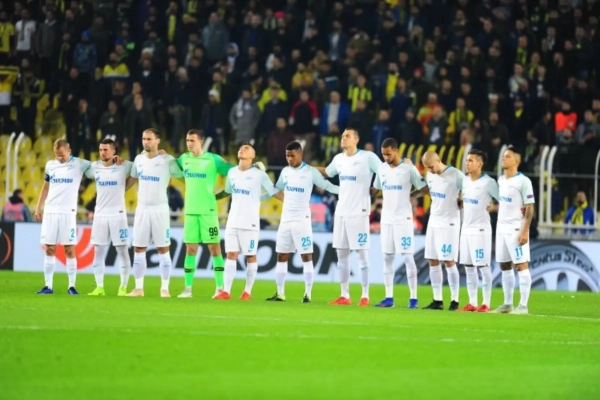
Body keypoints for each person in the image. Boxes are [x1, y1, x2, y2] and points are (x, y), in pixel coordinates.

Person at [263, 141, 339, 303]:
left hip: (302, 220)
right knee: (281, 255)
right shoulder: (285, 171)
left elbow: (327, 185)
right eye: (287, 156)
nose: (289, 159)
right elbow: (276, 189)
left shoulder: (310, 172)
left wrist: (346, 191)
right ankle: (280, 293)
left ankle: (307, 294)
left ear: (301, 154)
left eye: (292, 155)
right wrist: (259, 197)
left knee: (306, 255)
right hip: (285, 219)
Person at [317, 128, 381, 306]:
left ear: (356, 140)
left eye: (347, 136)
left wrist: (376, 187)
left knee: (362, 254)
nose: (343, 138)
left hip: (359, 212)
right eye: (342, 136)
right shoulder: (338, 159)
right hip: (341, 212)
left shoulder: (368, 157)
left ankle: (365, 295)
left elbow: (383, 171)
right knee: (341, 254)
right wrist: (307, 168)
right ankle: (344, 295)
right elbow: (327, 172)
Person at [172, 129, 236, 299]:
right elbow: (169, 164)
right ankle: (187, 289)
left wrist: (250, 168)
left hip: (208, 211)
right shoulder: (184, 159)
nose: (189, 143)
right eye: (187, 140)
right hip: (190, 211)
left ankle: (220, 288)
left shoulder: (213, 159)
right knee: (190, 250)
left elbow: (233, 171)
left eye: (192, 140)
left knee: (215, 249)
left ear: (201, 141)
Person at [214, 143, 277, 300]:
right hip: (232, 220)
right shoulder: (232, 172)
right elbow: (227, 191)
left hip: (250, 222)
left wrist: (260, 198)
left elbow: (273, 191)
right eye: (241, 148)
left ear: (252, 156)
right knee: (231, 254)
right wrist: (213, 198)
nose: (242, 149)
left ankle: (247, 292)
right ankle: (226, 291)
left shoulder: (259, 174)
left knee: (250, 255)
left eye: (246, 148)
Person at [127, 129, 182, 298]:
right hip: (142, 209)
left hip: (160, 209)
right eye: (144, 138)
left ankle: (164, 289)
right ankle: (138, 288)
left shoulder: (167, 160)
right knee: (138, 248)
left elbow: (183, 176)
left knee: (163, 249)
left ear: (157, 141)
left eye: (149, 139)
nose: (146, 142)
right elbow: (131, 180)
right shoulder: (138, 159)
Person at [372, 138, 426, 308]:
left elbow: (424, 188)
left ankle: (413, 298)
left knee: (408, 257)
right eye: (383, 154)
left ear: (396, 151)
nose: (386, 157)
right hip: (386, 219)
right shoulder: (381, 168)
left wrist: (411, 195)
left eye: (388, 154)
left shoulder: (409, 168)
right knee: (387, 257)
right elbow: (376, 188)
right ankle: (388, 298)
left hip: (403, 220)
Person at [34, 139, 92, 295]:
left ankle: (71, 286)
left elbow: (99, 166)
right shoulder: (50, 165)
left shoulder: (80, 164)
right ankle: (48, 286)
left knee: (69, 249)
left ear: (69, 151)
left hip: (68, 213)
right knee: (49, 248)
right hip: (50, 212)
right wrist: (39, 207)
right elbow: (45, 187)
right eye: (56, 155)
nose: (59, 158)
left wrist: (114, 160)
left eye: (62, 155)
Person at [412, 151, 465, 311]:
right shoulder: (430, 175)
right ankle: (437, 300)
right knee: (432, 259)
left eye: (431, 166)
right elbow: (428, 190)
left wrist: (463, 200)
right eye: (427, 168)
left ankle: (454, 301)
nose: (430, 170)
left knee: (448, 261)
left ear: (438, 160)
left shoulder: (456, 175)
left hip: (449, 222)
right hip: (434, 220)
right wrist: (409, 195)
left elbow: (470, 191)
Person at [84, 139, 136, 297]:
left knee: (122, 251)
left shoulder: (123, 165)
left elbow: (138, 169)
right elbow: (80, 168)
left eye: (106, 150)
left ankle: (123, 287)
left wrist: (125, 186)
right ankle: (99, 287)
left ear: (114, 151)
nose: (103, 153)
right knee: (98, 252)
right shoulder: (94, 167)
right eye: (100, 149)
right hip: (100, 215)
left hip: (118, 215)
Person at [493, 147, 535, 315]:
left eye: (508, 156)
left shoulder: (524, 181)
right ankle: (508, 304)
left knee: (521, 264)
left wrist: (525, 231)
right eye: (503, 156)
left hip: (516, 228)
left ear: (516, 161)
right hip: (501, 228)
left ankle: (523, 306)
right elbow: (505, 203)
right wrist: (493, 207)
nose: (503, 158)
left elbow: (529, 207)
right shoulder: (501, 180)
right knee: (504, 265)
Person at [458, 149, 498, 313]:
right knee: (468, 267)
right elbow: (463, 200)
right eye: (466, 160)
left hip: (481, 229)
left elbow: (504, 201)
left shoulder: (489, 182)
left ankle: (486, 303)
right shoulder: (465, 181)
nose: (467, 163)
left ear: (480, 164)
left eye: (471, 161)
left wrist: (494, 207)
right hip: (466, 229)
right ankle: (472, 302)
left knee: (483, 266)